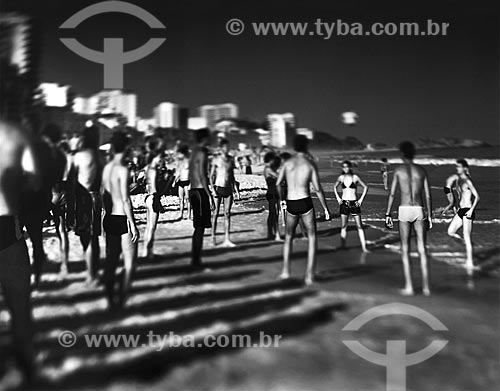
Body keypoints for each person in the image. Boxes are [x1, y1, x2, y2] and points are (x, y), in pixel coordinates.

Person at [0, 121, 39, 382]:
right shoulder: (14, 134)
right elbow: (35, 182)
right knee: (20, 307)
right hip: (5, 224)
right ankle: (26, 370)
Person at [276, 135, 330, 285]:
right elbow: (318, 189)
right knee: (312, 237)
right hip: (305, 201)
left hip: (291, 201)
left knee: (288, 237)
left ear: (294, 147)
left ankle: (286, 271)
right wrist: (325, 208)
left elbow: (278, 183)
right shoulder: (309, 164)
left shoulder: (287, 163)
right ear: (306, 146)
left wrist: (282, 199)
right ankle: (309, 276)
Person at [20, 124, 67, 285]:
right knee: (36, 240)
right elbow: (57, 185)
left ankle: (19, 274)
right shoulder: (60, 156)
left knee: (13, 239)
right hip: (41, 202)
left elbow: (27, 175)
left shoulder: (32, 149)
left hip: (22, 199)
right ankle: (37, 277)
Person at [385, 141, 433, 296]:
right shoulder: (421, 170)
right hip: (419, 209)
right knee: (422, 248)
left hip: (404, 209)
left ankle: (410, 286)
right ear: (414, 153)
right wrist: (430, 216)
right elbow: (427, 195)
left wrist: (388, 214)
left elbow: (392, 194)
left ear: (402, 154)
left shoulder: (398, 171)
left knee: (405, 248)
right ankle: (426, 287)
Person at [102, 132, 139, 308]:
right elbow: (125, 199)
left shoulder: (107, 168)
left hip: (109, 218)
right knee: (130, 261)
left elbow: (105, 195)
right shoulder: (123, 169)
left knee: (111, 261)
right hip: (122, 218)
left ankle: (110, 299)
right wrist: (133, 224)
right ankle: (122, 300)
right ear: (124, 147)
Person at [73, 125, 103, 284]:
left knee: (87, 238)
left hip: (83, 198)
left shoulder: (80, 156)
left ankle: (91, 274)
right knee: (94, 237)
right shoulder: (100, 156)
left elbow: (72, 178)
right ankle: (93, 271)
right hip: (96, 196)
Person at [446, 159, 480, 269]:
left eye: (459, 166)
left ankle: (470, 263)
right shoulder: (459, 180)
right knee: (450, 231)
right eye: (456, 166)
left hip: (468, 211)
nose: (457, 168)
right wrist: (456, 206)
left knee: (467, 236)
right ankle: (467, 244)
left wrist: (471, 210)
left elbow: (477, 197)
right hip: (461, 210)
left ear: (465, 168)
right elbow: (460, 196)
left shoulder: (468, 181)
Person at [189, 128, 215, 267]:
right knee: (200, 228)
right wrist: (210, 195)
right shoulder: (202, 152)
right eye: (208, 137)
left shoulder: (194, 151)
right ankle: (196, 261)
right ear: (204, 138)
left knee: (198, 227)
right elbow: (202, 175)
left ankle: (196, 258)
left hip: (193, 190)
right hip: (200, 191)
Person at [333, 160, 370, 252]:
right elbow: (334, 187)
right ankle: (343, 246)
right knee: (344, 226)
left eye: (347, 166)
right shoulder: (341, 177)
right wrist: (338, 198)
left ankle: (364, 247)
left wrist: (361, 200)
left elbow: (365, 187)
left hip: (354, 203)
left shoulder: (355, 177)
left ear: (350, 167)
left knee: (359, 226)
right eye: (344, 167)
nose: (345, 168)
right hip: (344, 203)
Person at [210, 138, 237, 247]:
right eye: (224, 147)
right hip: (218, 188)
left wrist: (235, 189)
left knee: (227, 213)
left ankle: (227, 238)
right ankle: (213, 237)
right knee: (215, 213)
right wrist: (212, 190)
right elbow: (211, 176)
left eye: (227, 147)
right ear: (221, 148)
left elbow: (231, 175)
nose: (226, 149)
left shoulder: (231, 159)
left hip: (228, 189)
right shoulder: (216, 159)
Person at [143, 139, 165, 259]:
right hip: (153, 198)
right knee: (152, 227)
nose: (161, 160)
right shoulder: (154, 171)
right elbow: (155, 189)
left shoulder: (147, 168)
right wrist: (159, 203)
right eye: (159, 158)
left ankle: (146, 250)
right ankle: (149, 252)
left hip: (147, 198)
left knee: (148, 226)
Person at [263, 151, 282, 241]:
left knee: (272, 214)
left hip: (273, 192)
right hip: (272, 193)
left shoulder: (271, 168)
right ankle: (276, 234)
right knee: (275, 214)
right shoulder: (268, 169)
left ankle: (270, 233)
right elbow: (278, 176)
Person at [173, 144, 191, 220]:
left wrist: (191, 183)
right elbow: (178, 172)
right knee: (181, 199)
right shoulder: (180, 162)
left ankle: (189, 215)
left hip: (187, 181)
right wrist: (174, 181)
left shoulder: (188, 161)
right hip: (180, 181)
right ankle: (181, 214)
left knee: (188, 199)